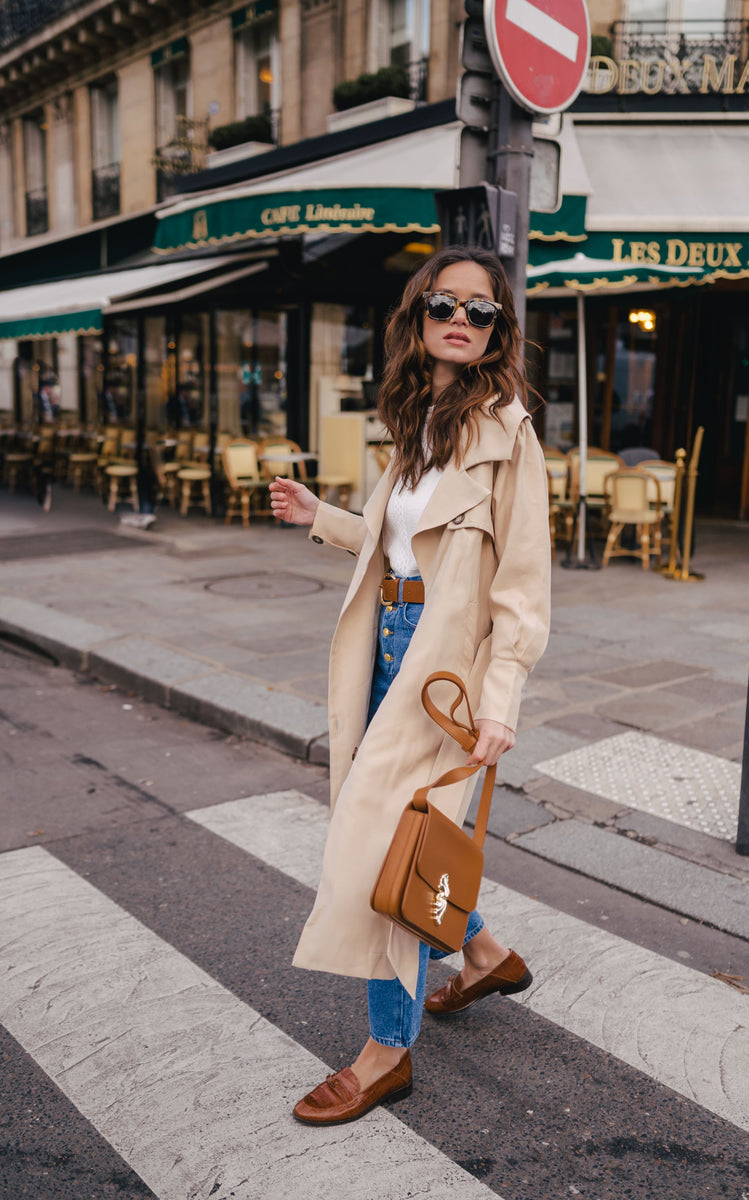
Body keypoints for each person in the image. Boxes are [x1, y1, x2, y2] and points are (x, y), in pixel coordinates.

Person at [269, 245, 551, 1126]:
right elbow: (402, 551)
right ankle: (485, 955)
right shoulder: (418, 416)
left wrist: (500, 702)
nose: (461, 320)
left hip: (444, 679)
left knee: (377, 857)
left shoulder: (511, 436)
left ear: (499, 330)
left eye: (481, 311)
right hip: (386, 651)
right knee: (410, 846)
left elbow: (523, 589)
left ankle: (386, 1054)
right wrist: (326, 520)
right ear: (418, 317)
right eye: (444, 306)